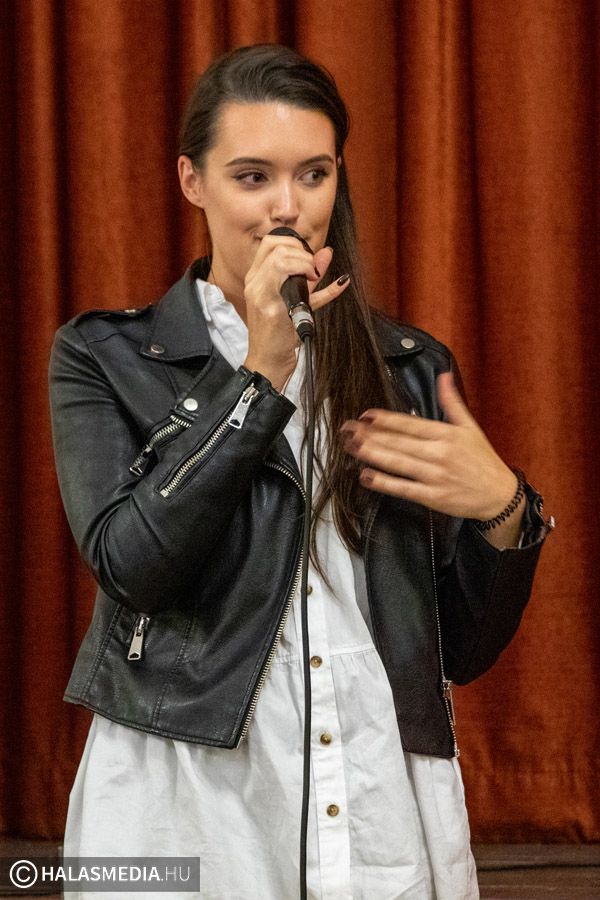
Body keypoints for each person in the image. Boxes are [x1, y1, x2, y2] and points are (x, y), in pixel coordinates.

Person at [49, 44, 553, 900]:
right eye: (252, 177)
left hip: (375, 781)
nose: (288, 207)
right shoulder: (106, 355)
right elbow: (134, 565)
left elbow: (463, 650)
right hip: (185, 786)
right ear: (191, 181)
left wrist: (505, 511)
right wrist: (257, 377)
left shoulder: (408, 368)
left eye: (314, 174)